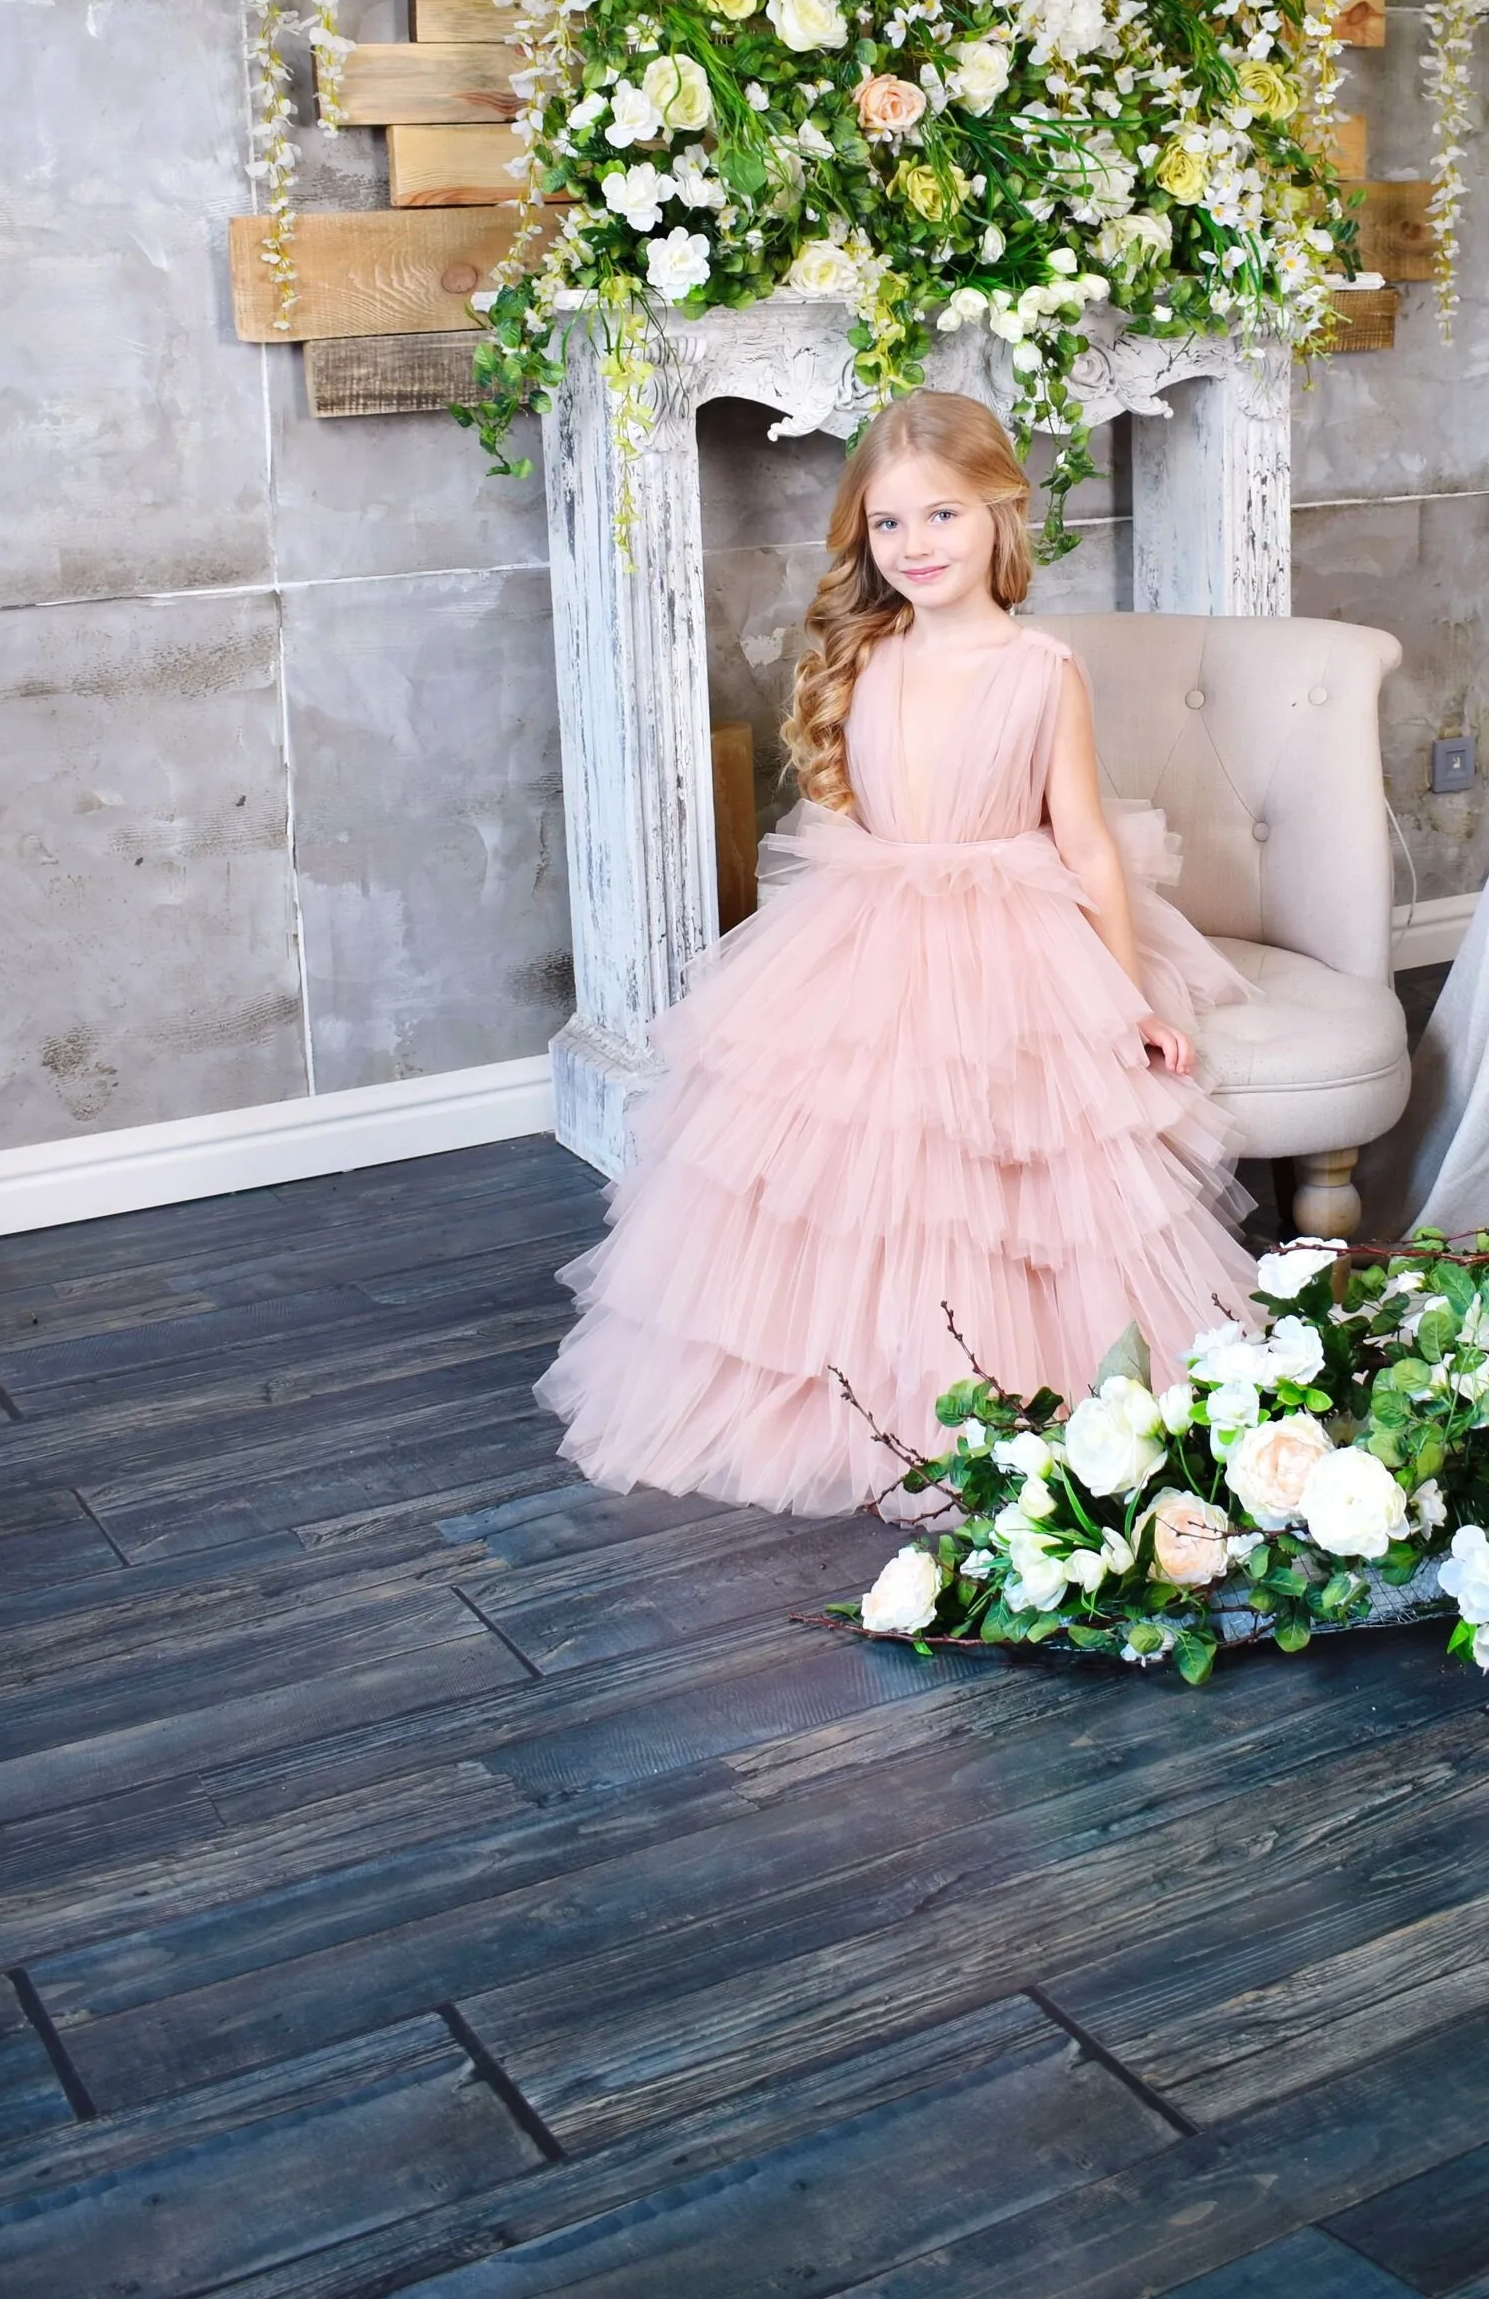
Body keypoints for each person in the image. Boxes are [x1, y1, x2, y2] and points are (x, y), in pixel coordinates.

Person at [535, 388, 1257, 1516]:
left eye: (943, 518)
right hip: (864, 932)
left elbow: (1089, 847)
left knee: (988, 1175)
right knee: (843, 1171)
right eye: (888, 525)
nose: (914, 546)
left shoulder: (1038, 670)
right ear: (861, 538)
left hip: (1009, 938)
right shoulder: (863, 654)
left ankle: (999, 1384)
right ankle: (847, 1377)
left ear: (1001, 516)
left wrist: (1127, 1003)